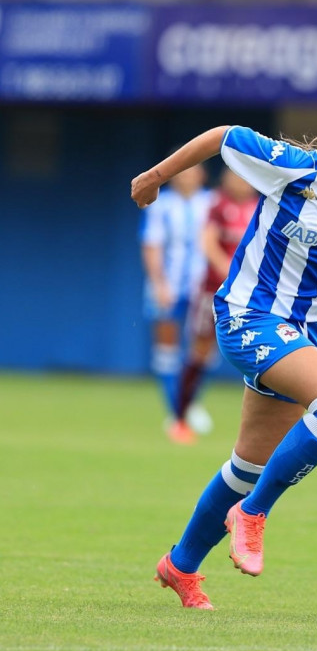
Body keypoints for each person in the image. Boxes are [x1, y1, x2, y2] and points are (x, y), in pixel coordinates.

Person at [130, 92, 317, 609]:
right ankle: (253, 513)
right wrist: (156, 176)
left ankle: (180, 565)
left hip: (298, 335)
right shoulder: (290, 167)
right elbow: (222, 134)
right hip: (247, 317)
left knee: (245, 467)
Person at [168, 167, 261, 445]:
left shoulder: (259, 206)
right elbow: (207, 243)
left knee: (260, 353)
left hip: (249, 296)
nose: (241, 181)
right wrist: (230, 273)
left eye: (247, 176)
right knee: (200, 350)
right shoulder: (218, 204)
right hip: (214, 292)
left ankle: (261, 428)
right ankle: (180, 418)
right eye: (236, 174)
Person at [138, 157, 213, 441]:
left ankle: (188, 405)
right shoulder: (161, 204)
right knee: (167, 351)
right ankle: (175, 413)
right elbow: (151, 244)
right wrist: (159, 284)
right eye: (182, 172)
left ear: (202, 174)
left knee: (201, 350)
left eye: (192, 171)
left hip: (202, 288)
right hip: (167, 286)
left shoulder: (212, 201)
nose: (187, 176)